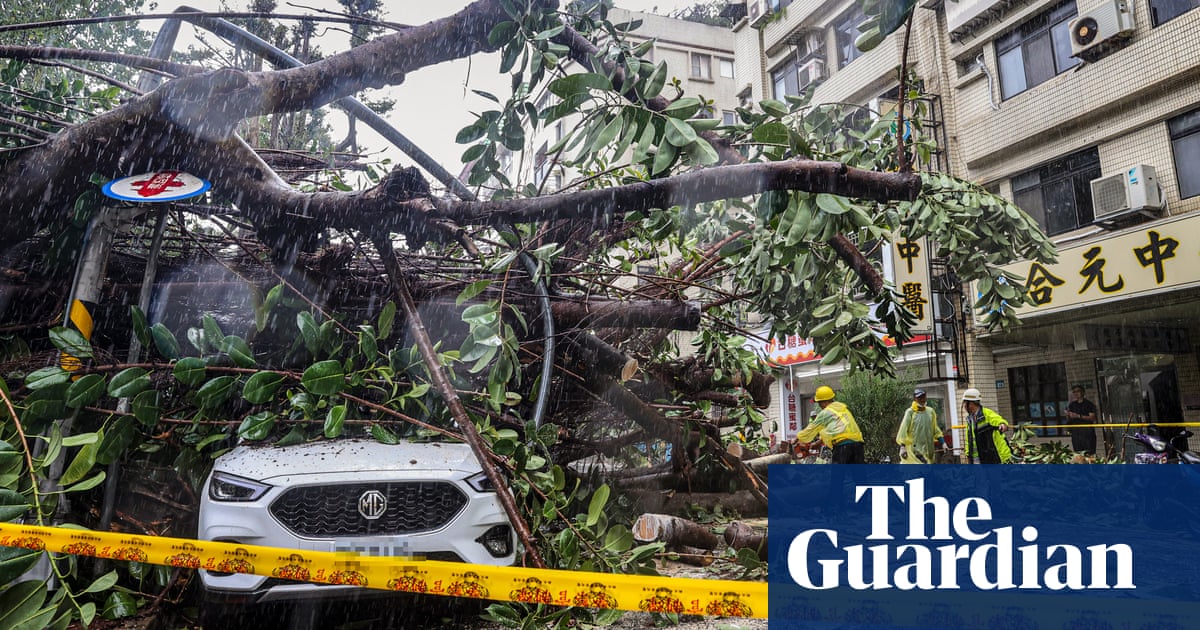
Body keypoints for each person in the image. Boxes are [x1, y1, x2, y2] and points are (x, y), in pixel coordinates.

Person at [795, 385, 865, 463]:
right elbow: (839, 430)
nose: (819, 406)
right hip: (858, 445)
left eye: (819, 403)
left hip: (843, 447)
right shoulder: (843, 409)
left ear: (824, 401)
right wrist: (819, 442)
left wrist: (797, 438)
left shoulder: (826, 412)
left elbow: (811, 429)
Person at [961, 388, 1012, 464]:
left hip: (994, 457)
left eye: (965, 403)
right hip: (978, 459)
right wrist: (968, 454)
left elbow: (998, 420)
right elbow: (969, 438)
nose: (964, 406)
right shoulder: (970, 419)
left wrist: (1002, 425)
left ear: (971, 403)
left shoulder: (986, 413)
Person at [896, 388, 945, 464]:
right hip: (913, 452)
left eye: (923, 397)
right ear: (915, 399)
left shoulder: (930, 412)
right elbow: (903, 430)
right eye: (919, 397)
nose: (922, 399)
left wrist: (943, 442)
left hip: (928, 452)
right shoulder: (910, 412)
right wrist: (902, 447)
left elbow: (935, 430)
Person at [1065, 385, 1098, 455]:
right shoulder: (1072, 405)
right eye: (1074, 392)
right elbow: (1070, 419)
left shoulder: (1089, 404)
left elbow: (1093, 418)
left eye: (1078, 391)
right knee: (1078, 454)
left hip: (1087, 433)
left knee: (1089, 454)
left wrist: (1078, 416)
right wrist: (1068, 415)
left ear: (1083, 392)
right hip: (1076, 433)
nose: (1076, 393)